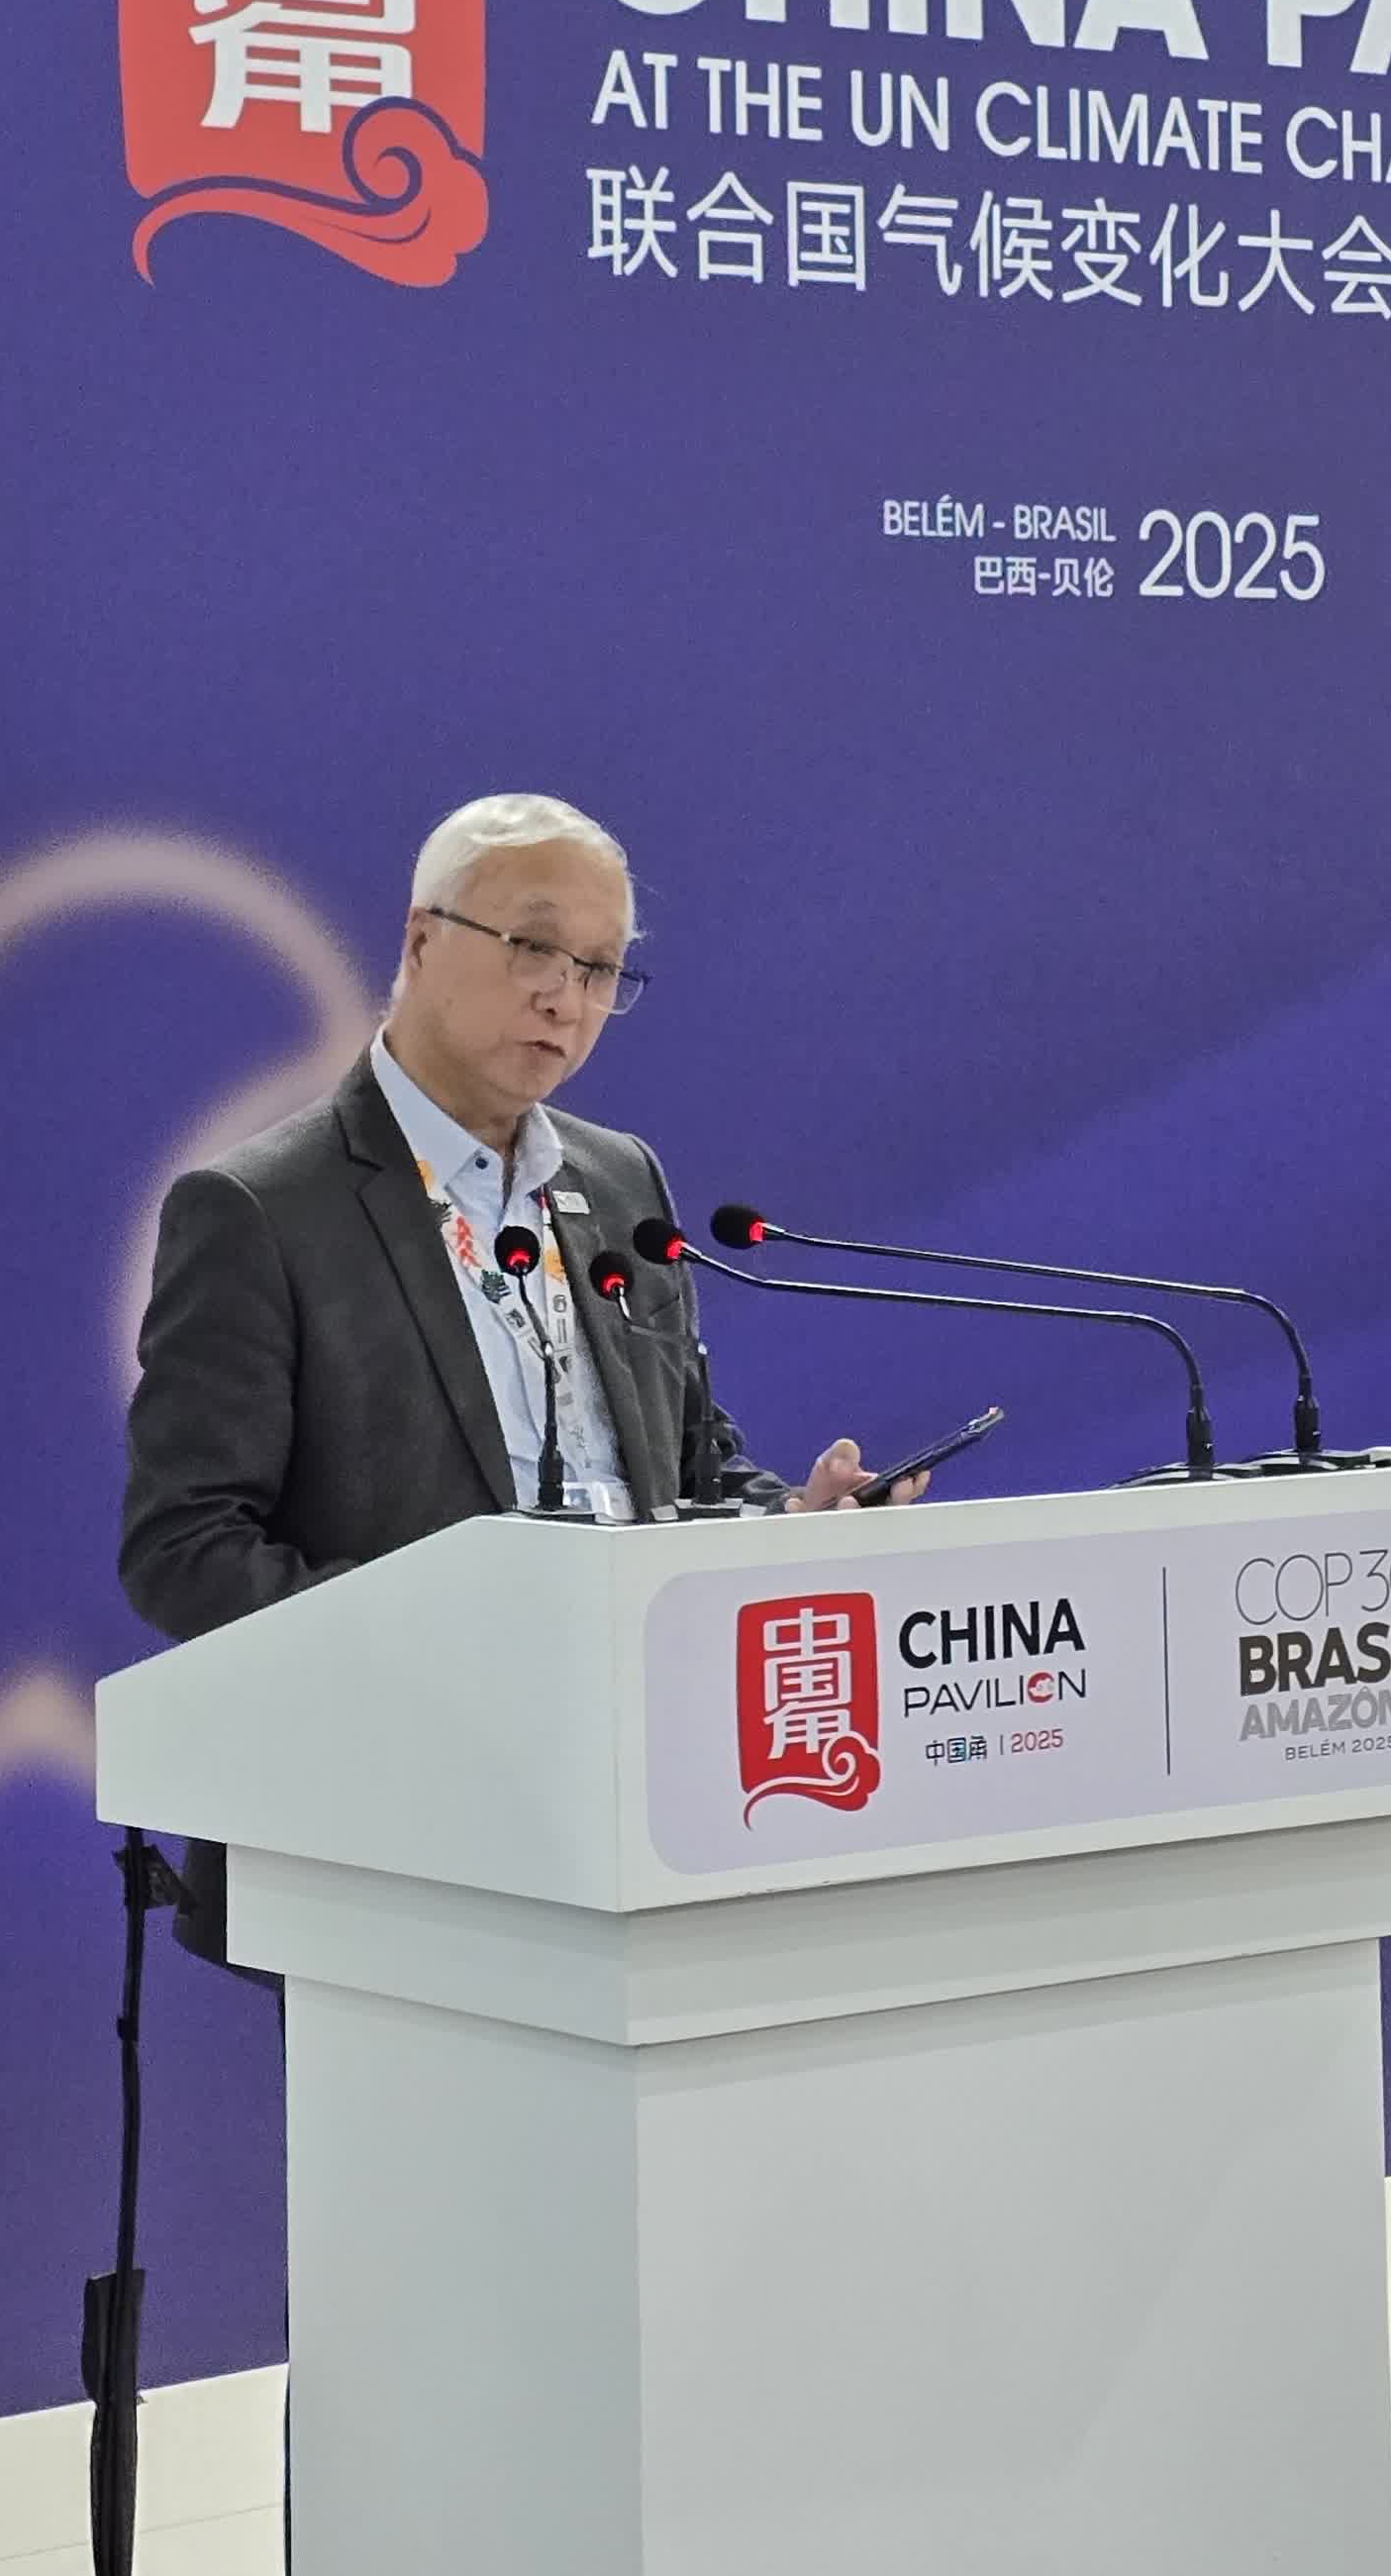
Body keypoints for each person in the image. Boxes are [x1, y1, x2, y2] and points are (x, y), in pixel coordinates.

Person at [120, 791, 912, 1951]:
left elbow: (689, 1464)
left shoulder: (620, 1181)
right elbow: (184, 1548)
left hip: (649, 1800)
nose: (565, 995)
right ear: (420, 939)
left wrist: (787, 1522)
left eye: (599, 968)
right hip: (396, 1830)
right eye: (534, 945)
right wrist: (443, 1648)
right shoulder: (259, 1209)